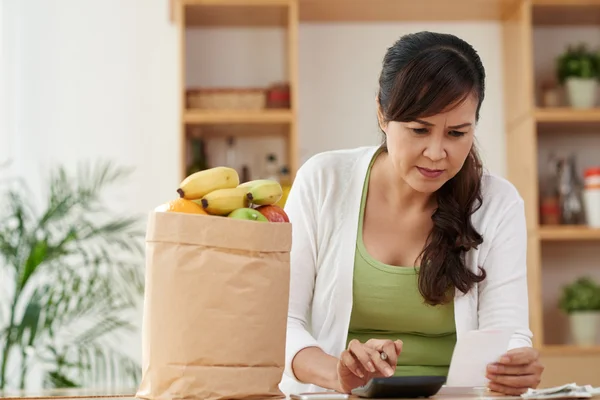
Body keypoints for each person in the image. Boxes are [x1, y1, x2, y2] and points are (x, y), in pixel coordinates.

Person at [279, 31, 544, 397]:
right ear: (382, 114)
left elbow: (507, 330)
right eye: (419, 129)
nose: (436, 153)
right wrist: (336, 373)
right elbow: (281, 323)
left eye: (457, 133)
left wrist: (515, 362)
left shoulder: (498, 202)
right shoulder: (323, 181)